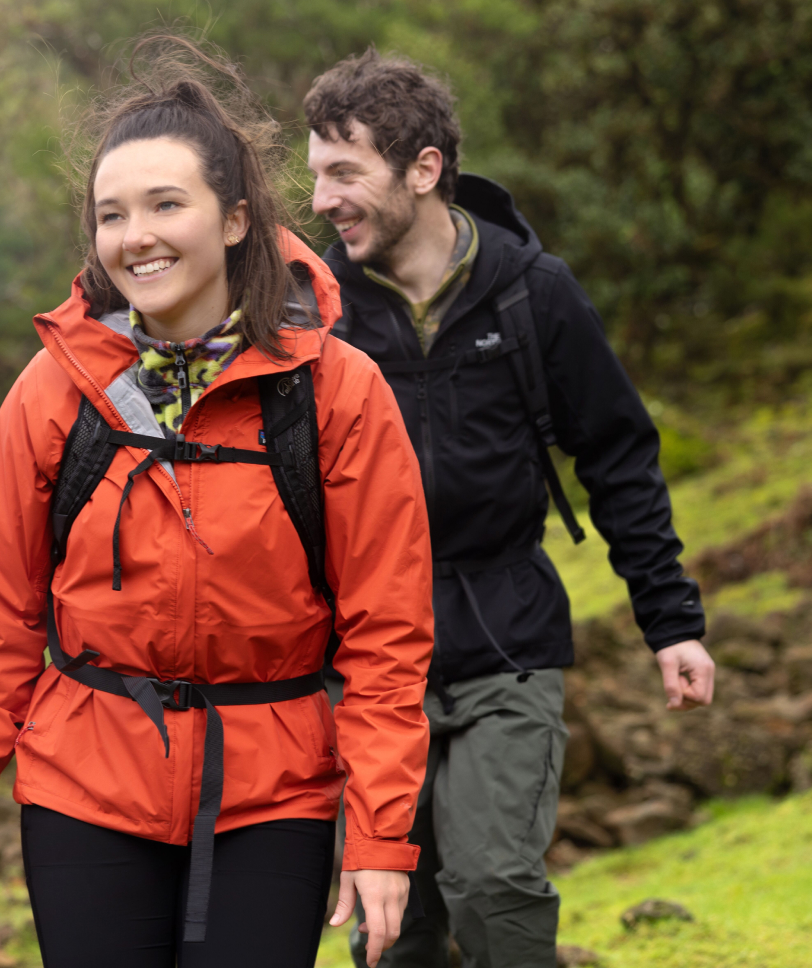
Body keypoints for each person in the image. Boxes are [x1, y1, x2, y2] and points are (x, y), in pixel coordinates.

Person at [0, 38, 434, 968]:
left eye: (166, 204)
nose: (135, 236)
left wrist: (380, 835)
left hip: (275, 793)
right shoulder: (51, 392)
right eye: (111, 214)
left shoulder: (338, 391)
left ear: (236, 220)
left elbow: (388, 637)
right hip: (84, 786)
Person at [303, 51, 716, 968]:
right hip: (363, 662)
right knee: (395, 928)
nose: (323, 200)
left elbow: (618, 456)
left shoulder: (536, 294)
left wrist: (670, 622)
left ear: (422, 169)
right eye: (315, 175)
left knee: (495, 891)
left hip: (506, 640)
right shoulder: (313, 321)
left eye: (345, 171)